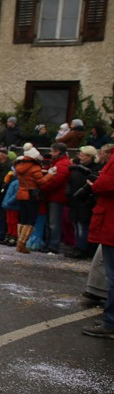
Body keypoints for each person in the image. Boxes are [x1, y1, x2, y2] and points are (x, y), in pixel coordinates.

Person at [83, 141, 114, 338]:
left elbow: (105, 184)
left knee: (112, 276)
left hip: (111, 222)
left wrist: (96, 183)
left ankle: (110, 322)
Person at [67, 145, 100, 259]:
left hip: (86, 202)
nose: (80, 157)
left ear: (90, 156)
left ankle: (82, 248)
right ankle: (77, 246)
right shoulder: (77, 168)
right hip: (75, 200)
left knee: (82, 226)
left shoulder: (94, 170)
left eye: (83, 155)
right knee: (76, 226)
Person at [37, 142, 71, 254]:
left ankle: (53, 245)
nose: (50, 153)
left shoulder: (62, 165)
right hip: (52, 196)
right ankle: (49, 243)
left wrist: (42, 186)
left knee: (53, 222)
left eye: (52, 151)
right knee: (51, 222)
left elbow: (55, 181)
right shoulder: (59, 163)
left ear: (57, 152)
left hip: (56, 197)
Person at [13, 146, 46, 254]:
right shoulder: (35, 167)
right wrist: (50, 175)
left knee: (22, 218)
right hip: (31, 195)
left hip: (21, 194)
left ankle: (19, 241)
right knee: (30, 220)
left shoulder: (19, 165)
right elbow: (41, 181)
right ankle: (22, 243)